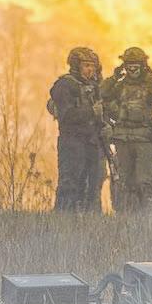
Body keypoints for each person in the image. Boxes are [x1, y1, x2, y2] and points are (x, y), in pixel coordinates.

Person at [100, 47, 152, 210]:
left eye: (136, 65)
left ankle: (150, 217)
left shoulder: (149, 85)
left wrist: (151, 79)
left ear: (143, 65)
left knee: (146, 181)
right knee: (125, 182)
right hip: (122, 139)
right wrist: (114, 77)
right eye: (129, 65)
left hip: (144, 139)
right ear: (124, 66)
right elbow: (101, 94)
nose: (132, 69)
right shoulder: (119, 86)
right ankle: (127, 216)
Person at [47, 47, 105, 211]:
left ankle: (87, 218)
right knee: (70, 183)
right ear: (75, 66)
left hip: (91, 141)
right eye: (86, 65)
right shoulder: (65, 85)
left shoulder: (93, 86)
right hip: (72, 142)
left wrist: (105, 125)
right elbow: (66, 116)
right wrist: (91, 111)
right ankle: (64, 218)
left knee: (92, 184)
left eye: (92, 66)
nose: (90, 70)